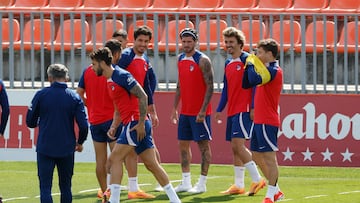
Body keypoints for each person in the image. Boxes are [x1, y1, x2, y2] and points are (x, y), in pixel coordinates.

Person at [90, 46, 181, 203]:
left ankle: (114, 200)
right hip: (132, 123)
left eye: (94, 64)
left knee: (114, 159)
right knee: (152, 164)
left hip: (135, 123)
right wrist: (113, 126)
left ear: (102, 63)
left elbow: (143, 95)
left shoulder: (122, 75)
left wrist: (140, 123)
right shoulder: (110, 80)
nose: (92, 68)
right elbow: (118, 109)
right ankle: (175, 200)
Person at [26, 64, 89, 203]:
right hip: (67, 147)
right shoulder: (74, 97)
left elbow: (29, 121)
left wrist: (41, 123)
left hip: (45, 146)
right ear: (66, 78)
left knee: (45, 188)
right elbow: (84, 126)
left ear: (49, 78)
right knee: (66, 187)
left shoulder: (41, 95)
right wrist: (80, 142)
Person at [215, 27, 266, 196]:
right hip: (232, 110)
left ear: (239, 43)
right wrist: (219, 108)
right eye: (226, 42)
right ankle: (238, 184)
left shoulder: (248, 60)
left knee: (239, 145)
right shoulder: (228, 62)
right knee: (234, 148)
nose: (228, 45)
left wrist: (253, 107)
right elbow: (226, 89)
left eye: (231, 42)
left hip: (244, 110)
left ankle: (258, 179)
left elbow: (254, 86)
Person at [116, 25, 163, 194]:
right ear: (133, 40)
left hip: (139, 113)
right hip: (128, 112)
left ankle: (134, 186)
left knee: (139, 150)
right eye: (140, 40)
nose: (142, 44)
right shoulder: (126, 57)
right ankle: (130, 187)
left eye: (146, 41)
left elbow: (147, 86)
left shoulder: (144, 59)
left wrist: (153, 111)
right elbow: (115, 81)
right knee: (128, 152)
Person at [170, 28, 214, 194]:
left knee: (203, 146)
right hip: (185, 112)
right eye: (184, 41)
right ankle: (186, 182)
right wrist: (175, 108)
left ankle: (202, 183)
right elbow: (180, 85)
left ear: (195, 42)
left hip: (200, 113)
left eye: (190, 42)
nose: (186, 45)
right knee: (182, 145)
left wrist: (203, 111)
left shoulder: (202, 60)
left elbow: (210, 86)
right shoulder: (180, 58)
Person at [242, 38, 284, 203]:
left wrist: (251, 64)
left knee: (269, 157)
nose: (256, 55)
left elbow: (254, 80)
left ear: (269, 54)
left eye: (259, 52)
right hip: (259, 119)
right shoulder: (265, 68)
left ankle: (270, 195)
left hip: (268, 120)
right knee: (257, 156)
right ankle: (277, 191)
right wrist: (249, 66)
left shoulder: (274, 70)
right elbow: (246, 83)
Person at [77, 48, 118, 200]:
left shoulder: (88, 71)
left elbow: (79, 93)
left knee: (100, 160)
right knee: (116, 159)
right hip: (112, 119)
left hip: (95, 120)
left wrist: (90, 105)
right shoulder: (113, 72)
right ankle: (113, 191)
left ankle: (104, 191)